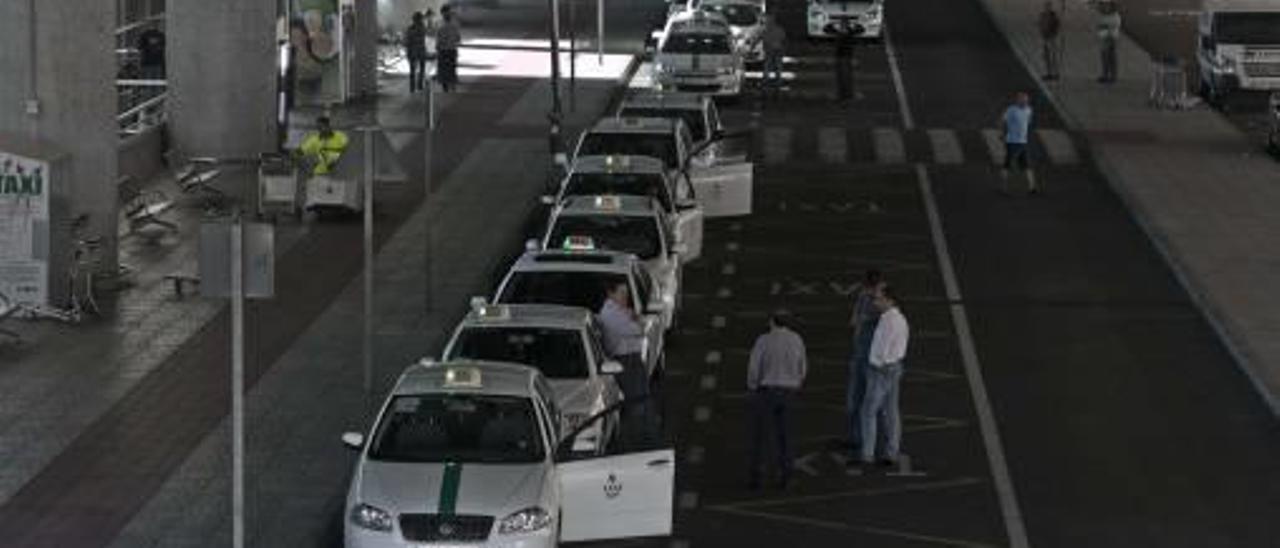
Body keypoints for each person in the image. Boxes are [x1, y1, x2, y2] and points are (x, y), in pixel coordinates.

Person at [747, 310, 808, 490]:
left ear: (772, 322)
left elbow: (753, 368)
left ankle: (757, 477)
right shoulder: (797, 339)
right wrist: (797, 382)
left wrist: (753, 386)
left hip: (767, 392)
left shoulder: (763, 340)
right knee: (786, 436)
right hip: (789, 392)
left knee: (761, 436)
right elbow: (802, 366)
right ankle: (787, 477)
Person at [857, 285, 908, 467]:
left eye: (879, 299)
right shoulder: (898, 319)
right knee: (891, 411)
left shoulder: (889, 322)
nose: (875, 302)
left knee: (868, 411)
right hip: (894, 367)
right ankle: (892, 451)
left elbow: (883, 349)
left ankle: (867, 454)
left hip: (882, 370)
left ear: (889, 300)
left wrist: (875, 366)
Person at [596, 282, 653, 443]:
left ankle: (641, 436)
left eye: (626, 294)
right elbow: (639, 329)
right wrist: (636, 320)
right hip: (625, 361)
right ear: (610, 294)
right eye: (622, 293)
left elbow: (638, 326)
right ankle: (639, 439)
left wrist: (635, 320)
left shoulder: (618, 311)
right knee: (637, 402)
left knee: (641, 400)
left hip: (631, 359)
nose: (626, 297)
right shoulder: (611, 314)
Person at [846, 269, 885, 454]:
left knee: (873, 401)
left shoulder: (883, 305)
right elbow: (854, 321)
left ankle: (873, 441)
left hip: (874, 358)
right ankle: (855, 437)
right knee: (854, 400)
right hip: (860, 355)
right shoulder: (863, 298)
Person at [997, 91, 1039, 194]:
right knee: (1007, 165)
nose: (1025, 102)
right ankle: (1003, 187)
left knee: (1027, 165)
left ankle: (1032, 187)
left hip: (1023, 142)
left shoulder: (1029, 110)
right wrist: (1002, 133)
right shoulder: (1011, 110)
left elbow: (1028, 121)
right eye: (1022, 100)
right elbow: (1002, 121)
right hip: (1012, 142)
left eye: (1026, 100)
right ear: (1017, 100)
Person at [826, 20, 863, 103]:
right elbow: (827, 29)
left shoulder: (847, 32)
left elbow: (861, 29)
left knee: (846, 77)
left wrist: (834, 25)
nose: (843, 28)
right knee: (843, 77)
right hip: (843, 57)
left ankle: (846, 95)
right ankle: (843, 95)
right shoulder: (848, 32)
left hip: (844, 57)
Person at [436, 4, 462, 92]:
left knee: (445, 68)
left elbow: (438, 38)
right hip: (450, 49)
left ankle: (447, 87)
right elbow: (458, 38)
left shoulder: (440, 24)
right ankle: (451, 86)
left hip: (445, 50)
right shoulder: (455, 24)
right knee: (451, 68)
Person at [1095, 0, 1122, 83]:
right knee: (1104, 55)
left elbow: (1113, 23)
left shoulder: (1114, 15)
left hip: (1110, 33)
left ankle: (1111, 75)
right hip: (1104, 32)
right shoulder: (1103, 13)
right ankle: (1106, 74)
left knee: (1110, 55)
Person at [404, 12, 430, 92]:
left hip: (413, 51)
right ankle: (419, 85)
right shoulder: (422, 28)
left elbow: (407, 41)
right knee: (421, 69)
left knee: (413, 70)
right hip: (420, 51)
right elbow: (426, 31)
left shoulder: (410, 28)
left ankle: (412, 87)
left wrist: (407, 50)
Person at [762, 13, 787, 94]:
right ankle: (777, 81)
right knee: (776, 65)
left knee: (769, 65)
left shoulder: (767, 30)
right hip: (776, 49)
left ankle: (768, 80)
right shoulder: (778, 29)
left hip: (772, 50)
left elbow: (763, 40)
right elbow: (783, 40)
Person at [1038, 2, 1061, 80]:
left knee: (1052, 57)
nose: (1047, 8)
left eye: (1048, 6)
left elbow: (1057, 27)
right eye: (1046, 6)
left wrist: (1054, 34)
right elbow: (1040, 25)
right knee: (1045, 57)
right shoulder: (1042, 15)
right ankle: (1048, 73)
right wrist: (1041, 33)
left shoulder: (1054, 17)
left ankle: (1055, 73)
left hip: (1051, 38)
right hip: (1044, 37)